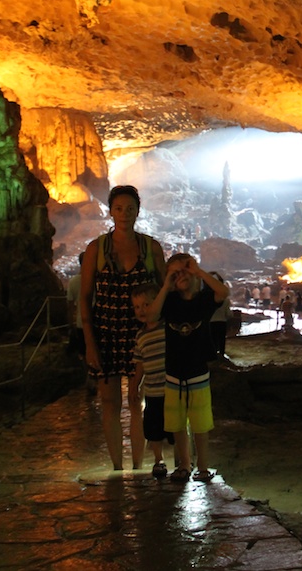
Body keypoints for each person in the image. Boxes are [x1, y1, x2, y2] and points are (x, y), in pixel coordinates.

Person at [80, 185, 167, 472]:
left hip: (140, 335)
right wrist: (90, 343)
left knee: (136, 398)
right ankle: (118, 465)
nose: (124, 214)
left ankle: (138, 464)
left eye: (130, 209)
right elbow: (84, 297)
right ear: (110, 211)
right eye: (119, 208)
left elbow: (164, 291)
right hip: (105, 332)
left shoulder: (150, 248)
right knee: (109, 401)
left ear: (138, 211)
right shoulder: (97, 249)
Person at [150, 253, 229, 482]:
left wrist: (198, 271)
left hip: (198, 372)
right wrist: (166, 285)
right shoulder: (170, 301)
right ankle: (185, 464)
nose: (181, 276)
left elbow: (222, 293)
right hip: (174, 373)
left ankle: (203, 466)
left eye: (185, 271)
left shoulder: (204, 299)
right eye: (176, 274)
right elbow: (152, 315)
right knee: (177, 424)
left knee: (200, 424)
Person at [128, 282, 177, 479]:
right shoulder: (140, 336)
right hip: (152, 392)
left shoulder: (168, 328)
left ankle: (181, 459)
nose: (142, 310)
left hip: (171, 388)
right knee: (153, 428)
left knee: (175, 426)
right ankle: (159, 460)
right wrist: (134, 386)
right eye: (137, 307)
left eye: (147, 304)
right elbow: (139, 364)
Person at [64, 253, 89, 389]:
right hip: (95, 322)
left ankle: (89, 376)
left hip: (80, 323)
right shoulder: (95, 280)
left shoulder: (74, 282)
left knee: (84, 352)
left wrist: (70, 325)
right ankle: (93, 377)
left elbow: (69, 306)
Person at [208, 271, 229, 358]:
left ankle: (213, 357)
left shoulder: (206, 298)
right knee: (221, 340)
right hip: (222, 322)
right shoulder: (225, 299)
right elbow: (228, 313)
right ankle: (221, 356)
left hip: (210, 322)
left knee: (212, 340)